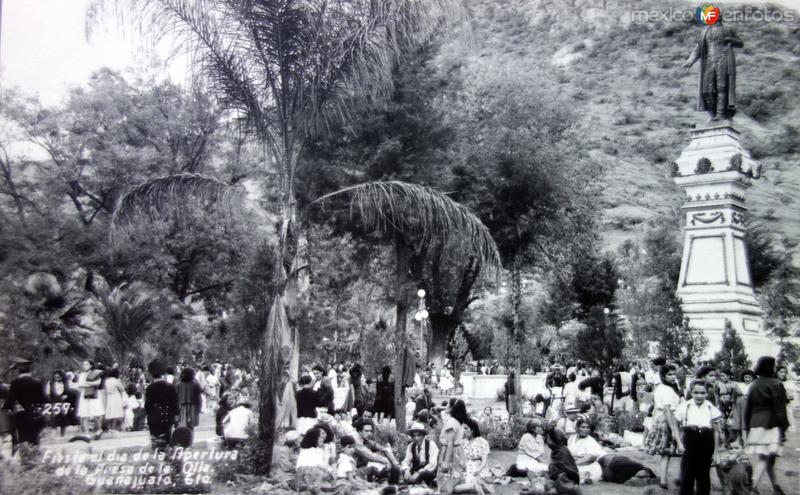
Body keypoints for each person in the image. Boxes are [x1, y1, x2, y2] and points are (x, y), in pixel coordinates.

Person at [682, 17, 743, 121]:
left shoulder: (728, 29)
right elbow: (698, 49)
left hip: (723, 59)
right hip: (710, 62)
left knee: (722, 87)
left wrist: (730, 40)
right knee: (706, 90)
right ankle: (712, 113)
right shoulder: (705, 31)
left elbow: (740, 43)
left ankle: (720, 114)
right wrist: (690, 61)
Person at [743, 356, 789, 495]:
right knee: (765, 457)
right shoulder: (776, 383)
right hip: (771, 424)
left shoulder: (754, 384)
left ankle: (775, 486)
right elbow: (780, 408)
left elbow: (748, 408)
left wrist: (746, 427)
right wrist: (784, 427)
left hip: (755, 423)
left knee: (770, 457)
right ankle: (750, 489)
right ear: (770, 367)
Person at [674, 379, 723, 495]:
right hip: (690, 440)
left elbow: (716, 432)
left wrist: (715, 453)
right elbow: (675, 426)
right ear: (691, 392)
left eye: (702, 393)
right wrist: (679, 443)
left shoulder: (711, 408)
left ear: (707, 393)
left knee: (704, 474)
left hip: (706, 441)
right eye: (696, 393)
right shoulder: (684, 407)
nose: (699, 396)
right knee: (687, 473)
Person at [643, 363, 684, 490]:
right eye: (669, 375)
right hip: (667, 420)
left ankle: (678, 479)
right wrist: (673, 429)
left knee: (672, 452)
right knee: (666, 452)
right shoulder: (664, 389)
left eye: (674, 374)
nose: (673, 377)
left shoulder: (670, 387)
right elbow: (666, 409)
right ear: (663, 376)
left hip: (671, 418)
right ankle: (664, 481)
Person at [4, 357, 46, 453]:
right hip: (35, 414)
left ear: (18, 371)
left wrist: (8, 408)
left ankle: (25, 461)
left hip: (21, 415)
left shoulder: (15, 383)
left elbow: (10, 400)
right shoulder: (38, 382)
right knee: (35, 439)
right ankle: (35, 459)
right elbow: (44, 400)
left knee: (23, 438)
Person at [144, 360, 179, 450]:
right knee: (167, 440)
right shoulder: (171, 387)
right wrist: (176, 418)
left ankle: (158, 455)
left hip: (155, 418)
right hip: (168, 417)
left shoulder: (150, 388)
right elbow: (175, 404)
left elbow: (148, 406)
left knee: (156, 442)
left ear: (151, 374)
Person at [352, 420, 401, 484]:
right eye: (366, 431)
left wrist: (396, 464)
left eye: (370, 431)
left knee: (388, 471)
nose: (369, 433)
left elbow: (384, 449)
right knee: (377, 469)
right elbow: (370, 455)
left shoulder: (367, 441)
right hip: (353, 470)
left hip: (363, 468)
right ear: (359, 432)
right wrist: (386, 461)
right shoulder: (356, 442)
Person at [455, 418, 492, 494]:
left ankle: (475, 488)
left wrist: (479, 470)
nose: (463, 431)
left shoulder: (482, 441)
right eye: (462, 429)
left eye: (466, 428)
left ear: (472, 430)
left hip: (478, 466)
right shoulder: (463, 442)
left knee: (471, 478)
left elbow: (484, 460)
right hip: (466, 466)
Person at [568, 417, 607, 483]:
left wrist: (573, 464)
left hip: (588, 466)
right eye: (583, 427)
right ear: (577, 428)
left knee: (569, 472)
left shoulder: (590, 441)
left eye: (588, 427)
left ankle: (586, 477)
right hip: (574, 463)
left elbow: (591, 458)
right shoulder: (572, 438)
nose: (585, 429)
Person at [401, 421, 439, 486]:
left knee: (424, 474)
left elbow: (432, 464)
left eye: (419, 435)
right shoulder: (411, 446)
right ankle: (416, 481)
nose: (416, 438)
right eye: (414, 436)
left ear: (423, 435)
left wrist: (419, 473)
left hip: (429, 471)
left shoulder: (431, 444)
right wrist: (406, 470)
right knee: (402, 471)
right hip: (416, 471)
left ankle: (429, 481)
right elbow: (406, 461)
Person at [545, 427, 581, 494]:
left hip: (567, 477)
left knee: (548, 485)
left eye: (549, 439)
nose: (547, 441)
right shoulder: (557, 449)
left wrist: (551, 470)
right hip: (564, 475)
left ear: (556, 439)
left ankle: (570, 489)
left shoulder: (561, 451)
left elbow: (563, 469)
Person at [47, 369, 76, 437]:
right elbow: (48, 394)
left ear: (62, 377)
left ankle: (62, 436)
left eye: (59, 377)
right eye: (55, 377)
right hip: (54, 404)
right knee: (54, 421)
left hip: (64, 405)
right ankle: (52, 437)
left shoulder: (66, 384)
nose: (57, 379)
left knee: (63, 421)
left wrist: (66, 397)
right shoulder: (50, 383)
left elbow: (69, 393)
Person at [77, 360, 103, 433]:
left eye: (86, 364)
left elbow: (98, 383)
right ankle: (87, 433)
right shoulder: (81, 375)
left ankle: (98, 430)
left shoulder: (95, 373)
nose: (85, 366)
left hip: (94, 394)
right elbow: (80, 384)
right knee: (84, 414)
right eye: (84, 364)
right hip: (84, 395)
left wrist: (86, 383)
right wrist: (90, 384)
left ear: (91, 365)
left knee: (96, 414)